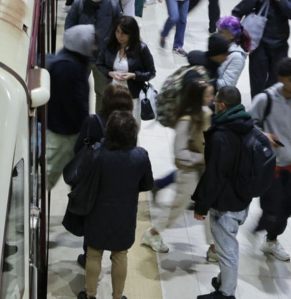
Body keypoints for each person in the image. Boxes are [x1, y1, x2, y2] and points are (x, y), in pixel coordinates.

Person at [248, 57, 291, 263]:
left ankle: (269, 236)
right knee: (273, 207)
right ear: (280, 79)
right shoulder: (265, 99)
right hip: (269, 165)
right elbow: (248, 123)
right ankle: (268, 233)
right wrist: (264, 136)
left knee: (288, 206)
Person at [80, 111, 153, 299]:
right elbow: (147, 184)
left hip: (97, 211)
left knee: (94, 253)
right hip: (125, 213)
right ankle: (118, 296)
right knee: (120, 254)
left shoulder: (96, 153)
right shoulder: (141, 156)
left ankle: (90, 295)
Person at [192, 85, 255, 299]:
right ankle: (222, 281)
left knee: (227, 252)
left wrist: (201, 206)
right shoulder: (247, 124)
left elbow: (215, 175)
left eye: (215, 100)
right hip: (243, 198)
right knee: (227, 246)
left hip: (226, 203)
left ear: (221, 105)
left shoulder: (221, 135)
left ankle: (226, 294)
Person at [142, 73, 213, 255]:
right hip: (189, 172)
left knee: (209, 207)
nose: (211, 98)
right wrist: (200, 158)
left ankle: (214, 247)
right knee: (177, 206)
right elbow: (180, 153)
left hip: (204, 171)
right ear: (198, 98)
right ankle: (152, 233)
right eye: (208, 95)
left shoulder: (206, 114)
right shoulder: (185, 121)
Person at [232, 0, 291, 97]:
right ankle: (257, 111)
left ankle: (267, 103)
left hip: (280, 47)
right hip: (259, 46)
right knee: (257, 81)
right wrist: (237, 35)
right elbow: (237, 11)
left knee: (277, 81)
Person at [44, 24, 97, 189]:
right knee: (45, 179)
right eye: (92, 42)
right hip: (63, 135)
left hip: (65, 132)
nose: (95, 47)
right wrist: (86, 127)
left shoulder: (68, 58)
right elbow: (76, 104)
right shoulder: (70, 68)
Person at [65, 0, 122, 111]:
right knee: (77, 93)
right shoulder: (79, 6)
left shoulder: (113, 7)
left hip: (103, 61)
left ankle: (98, 126)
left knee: (102, 95)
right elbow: (69, 31)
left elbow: (119, 32)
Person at [96, 16, 156, 126]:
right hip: (113, 93)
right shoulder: (109, 44)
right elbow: (99, 64)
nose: (120, 36)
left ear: (132, 33)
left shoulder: (141, 48)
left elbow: (152, 72)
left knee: (131, 127)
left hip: (133, 96)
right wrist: (110, 73)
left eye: (124, 33)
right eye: (117, 31)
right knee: (111, 126)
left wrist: (133, 75)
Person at [213, 16, 249, 88]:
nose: (217, 35)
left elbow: (227, 85)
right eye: (217, 31)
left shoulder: (237, 57)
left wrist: (207, 79)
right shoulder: (220, 45)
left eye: (221, 32)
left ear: (232, 35)